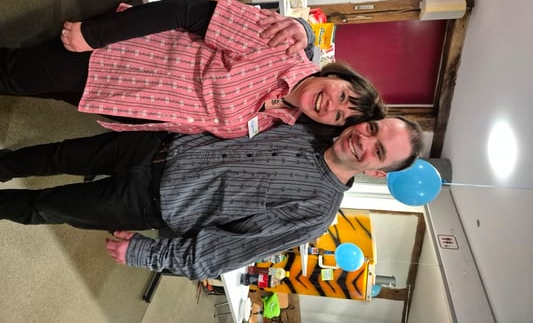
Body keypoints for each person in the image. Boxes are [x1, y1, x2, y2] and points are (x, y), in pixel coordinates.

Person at [0, 117, 423, 279]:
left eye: (378, 151)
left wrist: (148, 254)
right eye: (372, 128)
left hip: (146, 203)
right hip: (152, 146)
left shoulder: (317, 213)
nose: (363, 140)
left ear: (377, 172)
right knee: (56, 153)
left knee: (44, 206)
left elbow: (225, 251)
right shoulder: (313, 123)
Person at [0, 0, 385, 138]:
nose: (330, 106)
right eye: (342, 96)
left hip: (117, 102)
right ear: (336, 76)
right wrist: (96, 35)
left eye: (339, 116)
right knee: (12, 73)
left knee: (22, 82)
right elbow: (185, 10)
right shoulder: (281, 46)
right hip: (113, 61)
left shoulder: (281, 122)